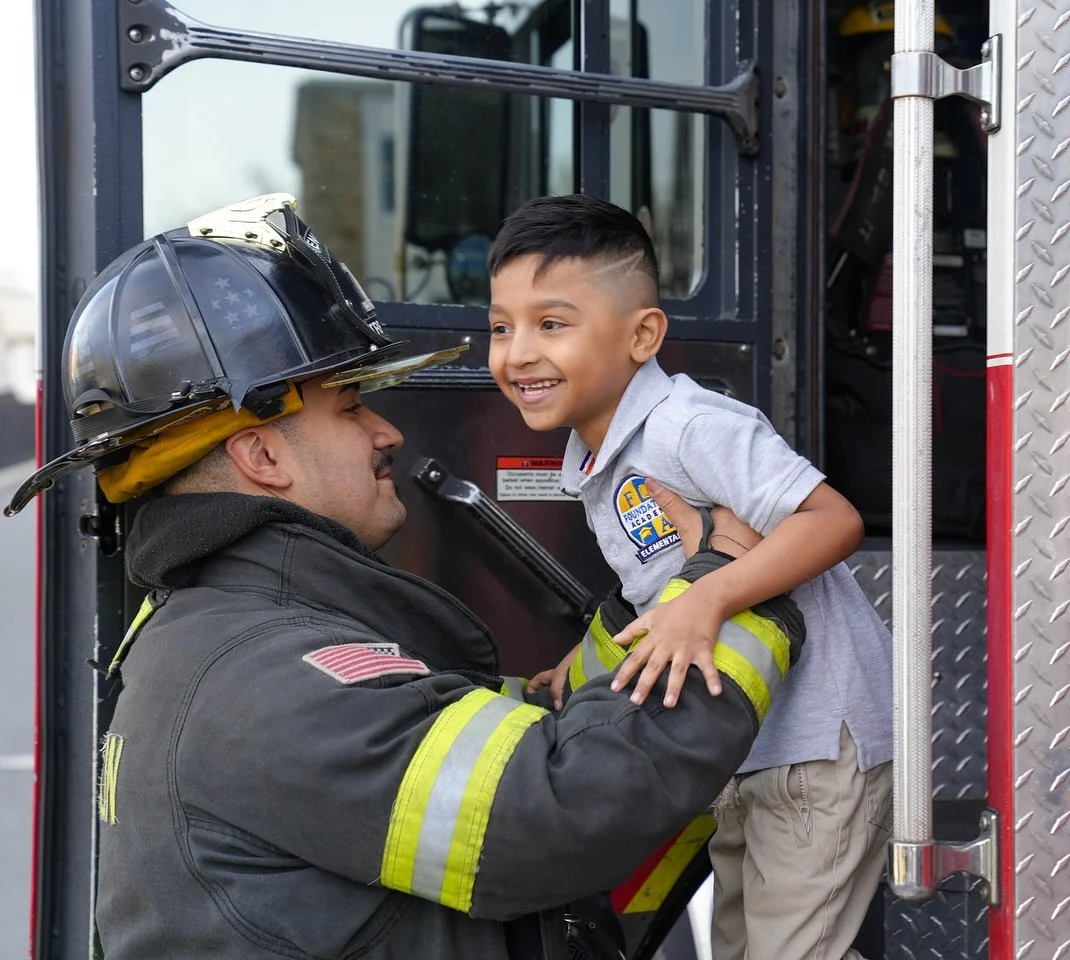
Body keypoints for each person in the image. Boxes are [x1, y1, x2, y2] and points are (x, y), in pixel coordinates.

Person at [8, 194, 807, 959]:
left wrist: (637, 615)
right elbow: (551, 812)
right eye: (351, 406)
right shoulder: (263, 680)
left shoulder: (234, 637)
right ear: (261, 457)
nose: (387, 430)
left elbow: (452, 734)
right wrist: (731, 591)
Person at [487, 194, 894, 960]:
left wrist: (705, 599)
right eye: (500, 328)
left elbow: (832, 522)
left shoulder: (690, 426)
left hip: (816, 745)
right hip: (749, 748)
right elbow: (657, 578)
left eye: (551, 323)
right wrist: (589, 655)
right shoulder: (598, 454)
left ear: (642, 335)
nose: (518, 353)